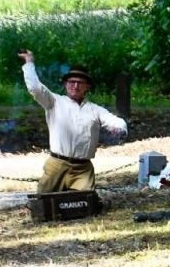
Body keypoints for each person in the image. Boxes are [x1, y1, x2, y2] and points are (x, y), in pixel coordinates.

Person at [19, 50, 128, 193]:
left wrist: (120, 128)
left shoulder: (95, 110)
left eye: (80, 83)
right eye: (72, 82)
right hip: (56, 165)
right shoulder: (54, 101)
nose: (75, 86)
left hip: (82, 169)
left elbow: (116, 121)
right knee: (44, 204)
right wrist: (29, 62)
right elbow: (35, 87)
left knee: (83, 204)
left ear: (87, 86)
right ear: (65, 84)